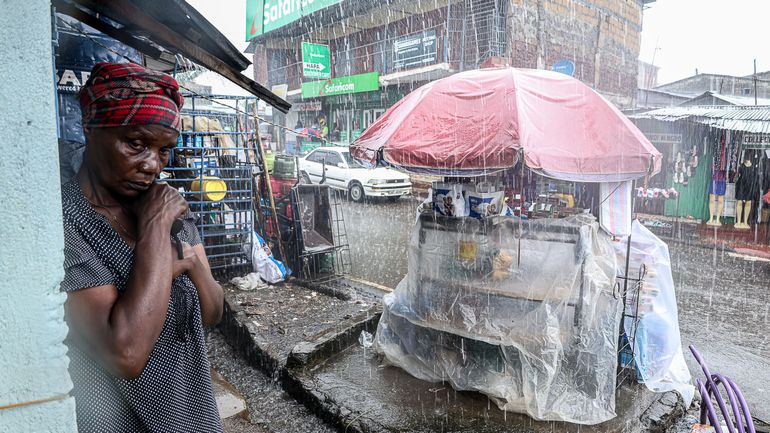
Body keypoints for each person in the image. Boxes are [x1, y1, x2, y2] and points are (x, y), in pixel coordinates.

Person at [60, 62, 224, 432]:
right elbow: (126, 353)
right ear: (90, 128)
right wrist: (156, 230)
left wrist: (191, 263)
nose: (152, 166)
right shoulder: (67, 221)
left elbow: (213, 312)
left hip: (194, 416)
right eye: (136, 143)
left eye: (164, 150)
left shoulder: (165, 206)